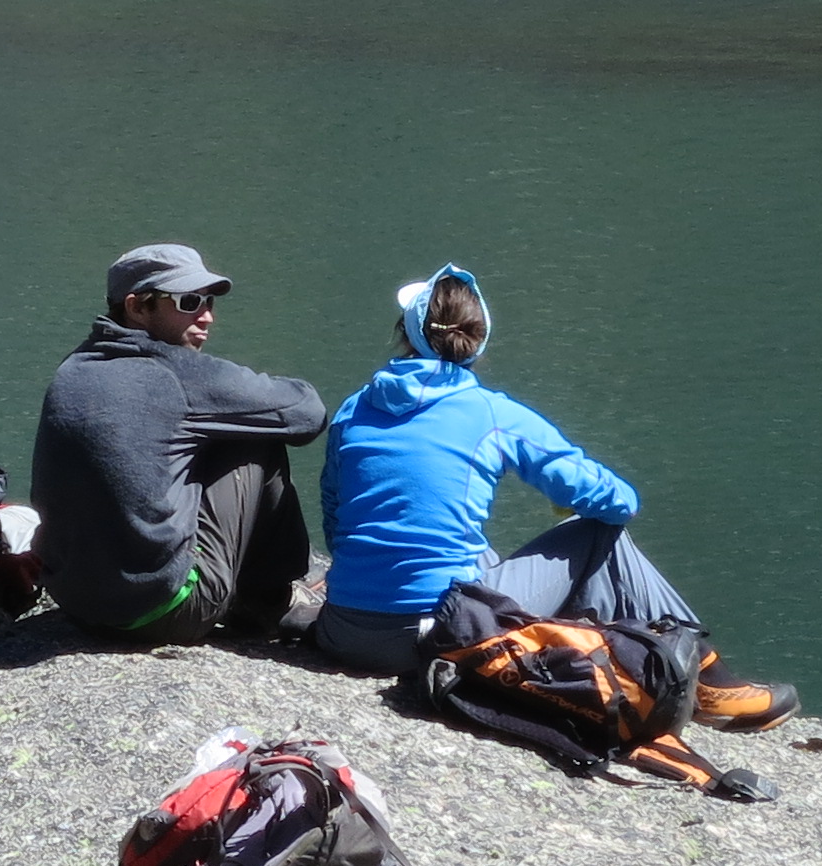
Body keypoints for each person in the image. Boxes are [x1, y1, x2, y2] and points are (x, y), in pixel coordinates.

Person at [310, 264, 793, 727]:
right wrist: (574, 504)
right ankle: (701, 674)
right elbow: (619, 502)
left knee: (474, 551)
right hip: (439, 637)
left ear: (406, 335)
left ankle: (641, 666)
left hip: (344, 632)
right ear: (478, 340)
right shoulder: (491, 413)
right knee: (598, 536)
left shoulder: (355, 408)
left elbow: (335, 518)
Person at [30, 243, 326, 642]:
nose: (207, 316)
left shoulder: (73, 368)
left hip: (78, 606)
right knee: (257, 434)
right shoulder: (176, 374)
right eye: (189, 302)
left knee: (216, 428)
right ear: (137, 307)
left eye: (208, 301)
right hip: (164, 612)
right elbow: (307, 413)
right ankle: (270, 602)